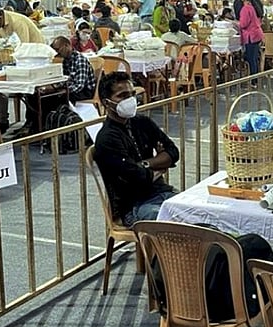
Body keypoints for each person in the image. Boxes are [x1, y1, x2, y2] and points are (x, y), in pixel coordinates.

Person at [93, 71, 179, 226]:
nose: (130, 100)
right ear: (107, 103)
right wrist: (160, 163)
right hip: (134, 206)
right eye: (122, 96)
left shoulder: (142, 122)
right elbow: (137, 178)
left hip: (163, 192)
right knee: (175, 225)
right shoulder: (107, 138)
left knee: (200, 213)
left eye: (132, 94)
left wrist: (145, 164)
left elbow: (173, 152)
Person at [51, 36, 96, 102]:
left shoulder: (80, 60)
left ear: (66, 46)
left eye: (57, 49)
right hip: (74, 89)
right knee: (50, 96)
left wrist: (65, 91)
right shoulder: (65, 60)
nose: (57, 52)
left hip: (85, 91)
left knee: (60, 98)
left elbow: (79, 85)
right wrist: (55, 87)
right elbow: (65, 79)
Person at [238, 0, 264, 83]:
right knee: (254, 58)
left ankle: (253, 80)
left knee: (251, 59)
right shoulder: (252, 7)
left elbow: (244, 24)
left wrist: (238, 24)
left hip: (251, 36)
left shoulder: (245, 9)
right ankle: (255, 78)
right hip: (256, 35)